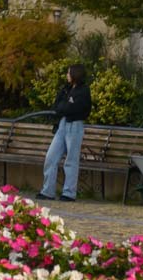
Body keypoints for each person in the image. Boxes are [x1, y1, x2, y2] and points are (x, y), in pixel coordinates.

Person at [37, 64, 92, 202]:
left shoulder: (83, 91)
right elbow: (58, 106)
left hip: (75, 125)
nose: (67, 75)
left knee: (71, 160)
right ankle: (48, 191)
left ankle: (69, 193)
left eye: (69, 73)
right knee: (51, 157)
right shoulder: (66, 89)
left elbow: (78, 109)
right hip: (62, 124)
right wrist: (66, 106)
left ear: (75, 75)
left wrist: (66, 107)